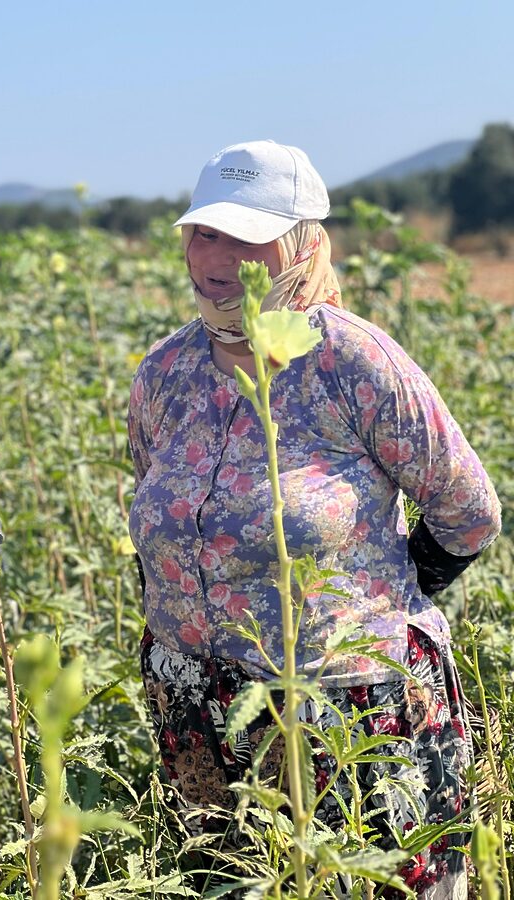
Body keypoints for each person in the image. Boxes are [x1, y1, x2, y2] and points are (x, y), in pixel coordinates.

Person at [127, 140, 501, 897]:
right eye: (205, 232)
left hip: (347, 718)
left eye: (245, 234)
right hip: (202, 723)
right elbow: (156, 514)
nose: (219, 255)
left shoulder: (352, 360)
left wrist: (383, 598)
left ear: (299, 243)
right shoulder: (165, 375)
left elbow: (469, 511)